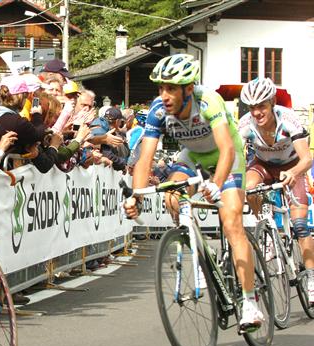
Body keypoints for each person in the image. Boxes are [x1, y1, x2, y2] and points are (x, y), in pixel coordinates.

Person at [124, 54, 264, 331]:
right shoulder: (158, 110)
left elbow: (226, 149)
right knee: (171, 193)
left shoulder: (209, 101)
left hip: (227, 156)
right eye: (161, 88)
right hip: (193, 156)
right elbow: (145, 158)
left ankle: (250, 302)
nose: (164, 95)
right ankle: (195, 248)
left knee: (232, 220)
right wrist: (136, 196)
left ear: (189, 88)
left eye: (171, 88)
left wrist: (216, 182)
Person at [239, 77, 314, 306]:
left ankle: (311, 278)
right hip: (262, 164)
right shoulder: (245, 124)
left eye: (261, 106)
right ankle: (265, 225)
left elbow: (307, 159)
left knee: (300, 225)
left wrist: (294, 173)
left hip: (293, 166)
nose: (257, 112)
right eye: (252, 107)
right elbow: (237, 158)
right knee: (249, 188)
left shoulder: (288, 119)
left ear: (272, 102)